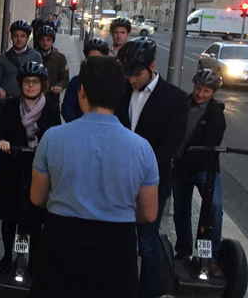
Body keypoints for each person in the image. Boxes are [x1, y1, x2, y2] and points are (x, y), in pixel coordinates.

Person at [30, 56, 159, 298]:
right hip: (117, 248)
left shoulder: (52, 138)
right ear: (120, 94)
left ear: (81, 92)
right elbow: (149, 213)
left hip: (61, 241)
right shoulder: (142, 148)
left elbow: (37, 197)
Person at [116, 37, 187, 298]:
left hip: (152, 185)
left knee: (147, 245)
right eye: (127, 74)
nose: (131, 79)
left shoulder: (176, 100)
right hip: (119, 182)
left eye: (135, 74)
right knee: (119, 243)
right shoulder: (121, 91)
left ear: (151, 66)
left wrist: (137, 170)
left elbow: (168, 148)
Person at [0, 62, 60, 274]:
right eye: (27, 82)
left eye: (35, 82)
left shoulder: (50, 109)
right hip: (13, 166)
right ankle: (7, 256)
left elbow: (57, 137)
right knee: (9, 215)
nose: (31, 86)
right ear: (20, 84)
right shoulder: (11, 107)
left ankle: (33, 262)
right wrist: (2, 141)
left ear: (42, 85)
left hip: (38, 171)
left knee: (36, 215)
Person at [172, 69, 227, 277]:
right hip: (179, 169)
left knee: (213, 207)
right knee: (181, 209)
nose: (200, 94)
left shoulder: (216, 115)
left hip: (205, 170)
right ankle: (183, 252)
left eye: (205, 91)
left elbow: (208, 148)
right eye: (197, 89)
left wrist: (180, 160)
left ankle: (210, 257)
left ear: (213, 92)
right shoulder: (182, 105)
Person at [0, 20, 42, 185]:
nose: (19, 39)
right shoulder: (4, 58)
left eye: (22, 36)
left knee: (27, 139)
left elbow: (41, 79)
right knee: (0, 138)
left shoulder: (35, 56)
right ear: (11, 37)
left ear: (27, 38)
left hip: (29, 106)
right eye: (15, 36)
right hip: (7, 104)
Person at [61, 38, 110, 122]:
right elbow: (67, 108)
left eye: (98, 59)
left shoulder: (111, 82)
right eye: (90, 59)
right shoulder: (76, 81)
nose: (94, 63)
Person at [37, 25, 68, 108]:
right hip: (34, 98)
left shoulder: (60, 58)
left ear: (52, 41)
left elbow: (65, 78)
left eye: (48, 40)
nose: (45, 43)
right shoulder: (33, 55)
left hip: (52, 98)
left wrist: (59, 86)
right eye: (42, 40)